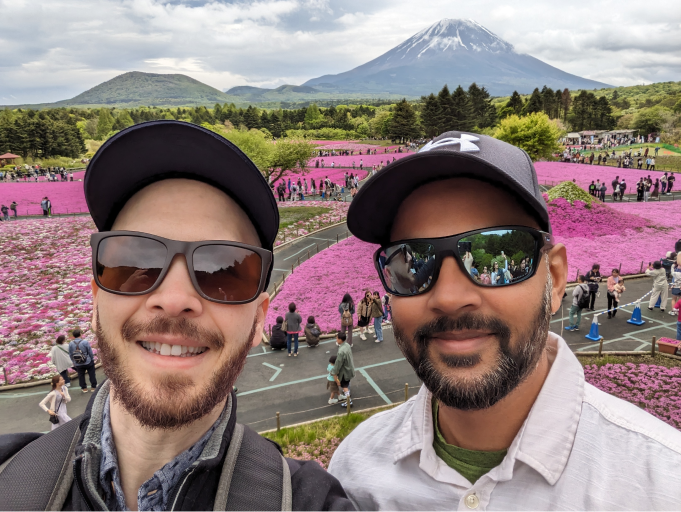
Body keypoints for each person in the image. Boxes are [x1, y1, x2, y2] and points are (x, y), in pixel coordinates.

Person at [0, 121, 353, 511]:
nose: (173, 299)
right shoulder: (8, 477)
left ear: (258, 320)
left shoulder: (310, 502)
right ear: (96, 297)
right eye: (136, 261)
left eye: (224, 271)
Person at [329, 130, 681, 510]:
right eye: (410, 262)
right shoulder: (353, 474)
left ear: (556, 279)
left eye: (490, 250)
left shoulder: (661, 485)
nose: (449, 299)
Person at [68, 328, 97, 393]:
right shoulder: (85, 342)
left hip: (78, 362)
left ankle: (84, 388)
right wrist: (92, 359)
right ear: (80, 334)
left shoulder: (71, 343)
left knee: (81, 375)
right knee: (91, 374)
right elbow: (89, 351)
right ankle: (93, 387)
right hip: (87, 361)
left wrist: (73, 361)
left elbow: (70, 353)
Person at [331, 332, 355, 406]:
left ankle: (348, 400)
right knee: (347, 383)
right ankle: (348, 394)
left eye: (337, 338)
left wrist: (333, 372)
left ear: (340, 339)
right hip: (350, 368)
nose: (336, 339)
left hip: (344, 371)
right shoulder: (347, 345)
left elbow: (338, 363)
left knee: (344, 385)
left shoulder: (341, 351)